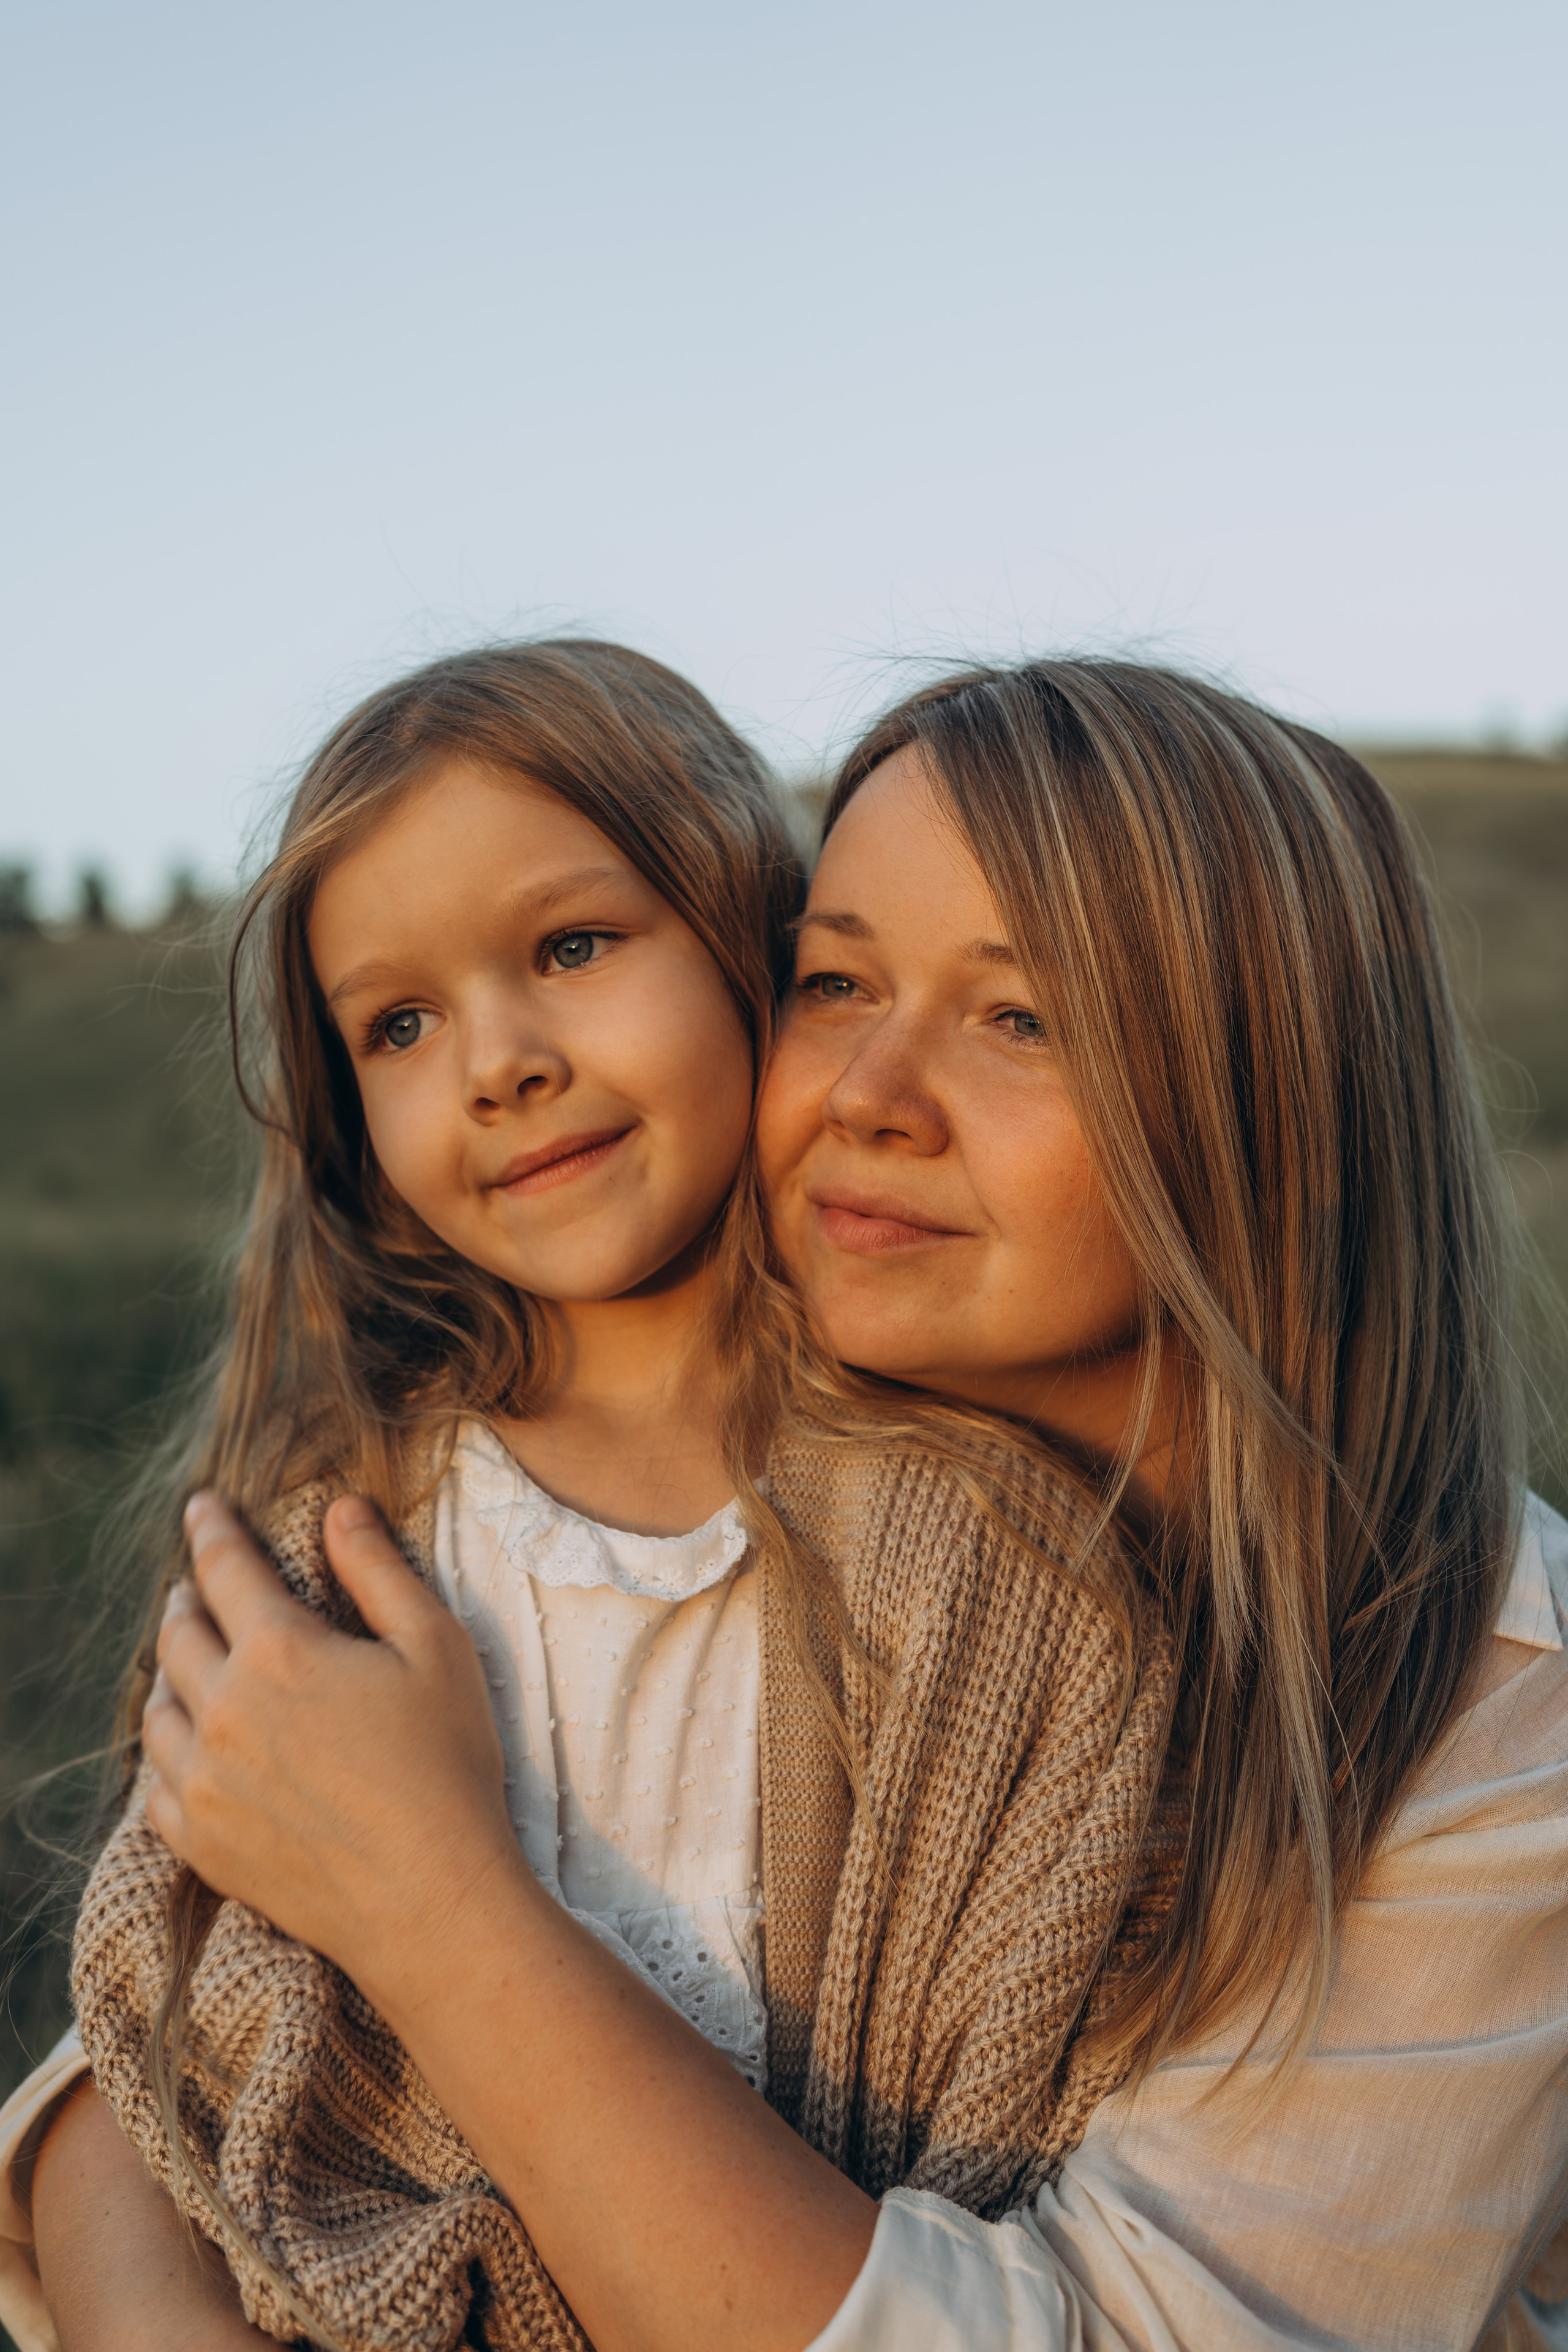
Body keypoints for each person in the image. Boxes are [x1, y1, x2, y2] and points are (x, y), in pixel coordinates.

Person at [11, 657, 1568, 2348]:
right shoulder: (524, 1503)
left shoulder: (1495, 1684)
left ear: (1288, 1112)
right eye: (835, 985)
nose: (864, 1098)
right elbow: (180, 2035)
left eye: (1019, 1017)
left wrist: (429, 1897)